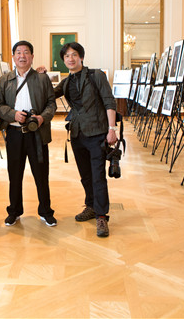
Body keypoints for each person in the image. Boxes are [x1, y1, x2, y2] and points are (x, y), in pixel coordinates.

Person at [54, 42, 117, 237]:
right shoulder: (65, 82)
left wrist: (112, 129)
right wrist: (39, 76)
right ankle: (90, 206)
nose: (70, 59)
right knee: (85, 175)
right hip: (77, 134)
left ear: (81, 57)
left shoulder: (96, 75)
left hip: (98, 133)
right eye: (67, 56)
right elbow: (48, 95)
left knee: (98, 175)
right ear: (63, 60)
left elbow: (109, 101)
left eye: (74, 55)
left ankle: (101, 216)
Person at [0, 40, 57, 227]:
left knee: (41, 174)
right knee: (14, 174)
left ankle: (46, 211)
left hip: (36, 133)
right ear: (13, 57)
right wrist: (12, 114)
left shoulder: (42, 78)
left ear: (32, 56)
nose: (22, 56)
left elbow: (51, 104)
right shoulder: (4, 80)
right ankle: (14, 211)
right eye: (18, 52)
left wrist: (41, 118)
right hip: (14, 133)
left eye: (26, 52)